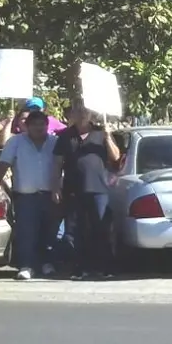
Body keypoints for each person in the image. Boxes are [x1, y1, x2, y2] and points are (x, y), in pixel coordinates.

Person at [54, 105, 121, 280]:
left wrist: (108, 137)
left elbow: (115, 157)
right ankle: (79, 267)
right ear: (73, 115)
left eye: (86, 111)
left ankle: (106, 267)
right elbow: (57, 164)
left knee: (102, 229)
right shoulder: (65, 136)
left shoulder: (101, 133)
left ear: (91, 114)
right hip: (73, 190)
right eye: (79, 111)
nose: (83, 114)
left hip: (99, 189)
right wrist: (55, 186)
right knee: (75, 231)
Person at [0, 110, 59, 280]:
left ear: (47, 125)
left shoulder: (55, 142)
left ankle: (46, 264)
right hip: (25, 196)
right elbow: (3, 163)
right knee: (26, 233)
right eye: (35, 124)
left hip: (50, 195)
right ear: (27, 126)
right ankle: (26, 266)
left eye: (42, 124)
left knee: (49, 232)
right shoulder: (16, 142)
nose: (39, 128)